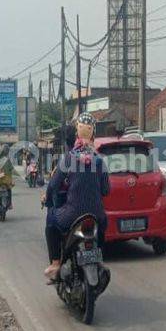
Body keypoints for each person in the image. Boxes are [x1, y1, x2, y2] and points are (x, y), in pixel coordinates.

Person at [42, 113, 110, 280]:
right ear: (93, 134)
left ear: (77, 134)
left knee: (51, 219)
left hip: (72, 214)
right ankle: (99, 259)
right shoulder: (99, 161)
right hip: (96, 216)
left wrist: (49, 200)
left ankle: (56, 263)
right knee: (103, 225)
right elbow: (106, 190)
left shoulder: (70, 158)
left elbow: (53, 185)